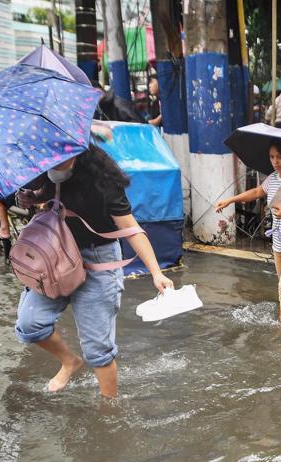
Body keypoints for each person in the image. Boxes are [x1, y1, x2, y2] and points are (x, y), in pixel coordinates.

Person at [14, 144, 174, 397]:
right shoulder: (39, 171)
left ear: (76, 151)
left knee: (97, 350)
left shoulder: (102, 179)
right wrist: (32, 198)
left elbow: (131, 229)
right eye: (51, 160)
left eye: (62, 160)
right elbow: (49, 203)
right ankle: (69, 361)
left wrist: (157, 272)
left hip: (98, 260)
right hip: (54, 258)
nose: (56, 164)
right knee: (29, 324)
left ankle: (109, 410)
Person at [215, 140, 281, 325]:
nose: (275, 161)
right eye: (272, 157)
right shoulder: (272, 178)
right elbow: (256, 192)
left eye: (280, 157)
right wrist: (230, 200)